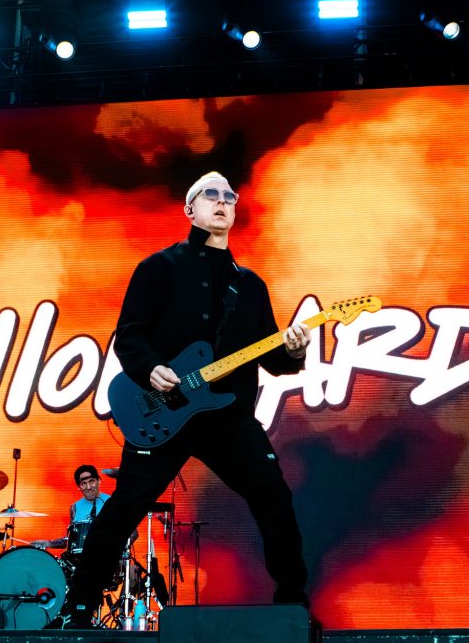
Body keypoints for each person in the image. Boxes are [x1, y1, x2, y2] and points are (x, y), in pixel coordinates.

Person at [59, 171, 311, 628]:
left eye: (229, 196)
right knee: (124, 507)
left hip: (228, 419)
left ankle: (293, 607)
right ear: (189, 209)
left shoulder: (249, 286)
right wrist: (150, 368)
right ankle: (75, 611)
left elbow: (273, 359)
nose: (222, 201)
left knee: (274, 498)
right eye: (210, 194)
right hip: (163, 413)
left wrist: (293, 351)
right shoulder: (158, 268)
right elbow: (129, 336)